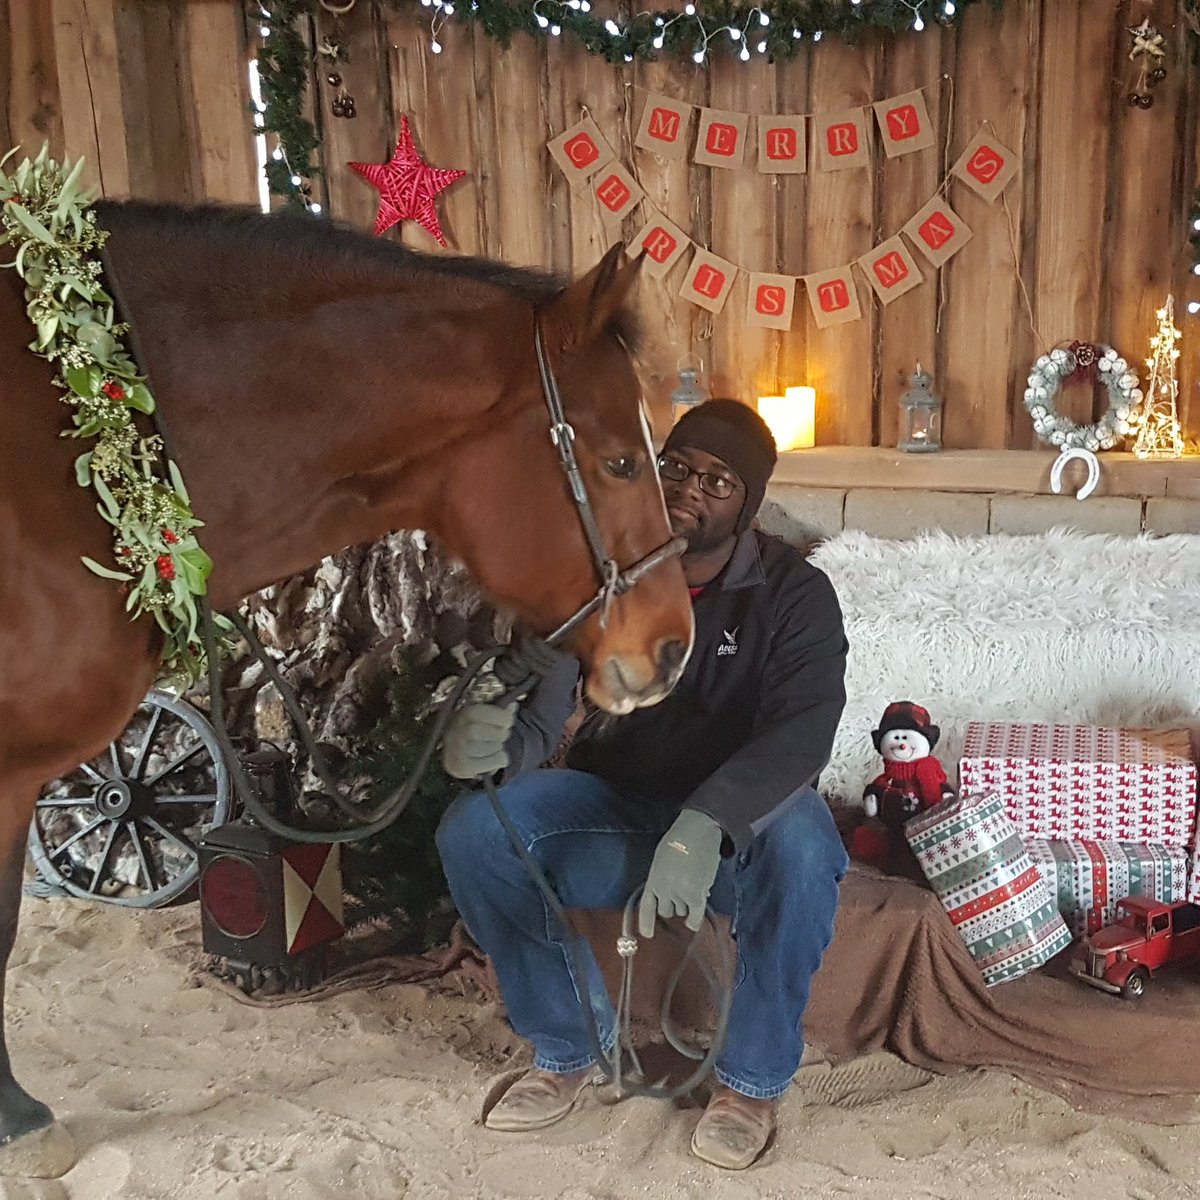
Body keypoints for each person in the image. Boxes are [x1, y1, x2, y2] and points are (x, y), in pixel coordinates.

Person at [436, 398, 849, 1170]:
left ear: (749, 506)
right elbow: (543, 715)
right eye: (679, 467)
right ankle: (564, 1048)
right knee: (476, 830)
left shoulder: (796, 597)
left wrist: (706, 824)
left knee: (804, 847)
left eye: (719, 481)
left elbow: (802, 734)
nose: (691, 488)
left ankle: (750, 1084)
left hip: (735, 836)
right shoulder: (605, 581)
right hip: (620, 811)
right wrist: (491, 755)